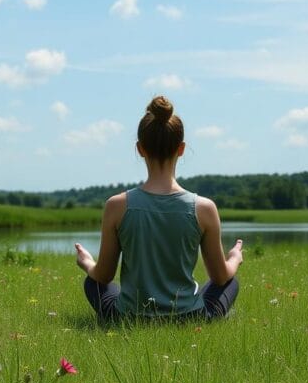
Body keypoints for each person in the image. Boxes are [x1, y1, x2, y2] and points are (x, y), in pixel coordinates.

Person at [74, 96, 243, 320]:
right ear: (181, 149)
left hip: (130, 318)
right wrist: (234, 258)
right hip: (190, 318)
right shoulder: (204, 208)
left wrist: (87, 263)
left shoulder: (116, 206)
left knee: (92, 283)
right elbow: (220, 277)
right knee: (230, 282)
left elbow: (103, 276)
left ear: (140, 148)